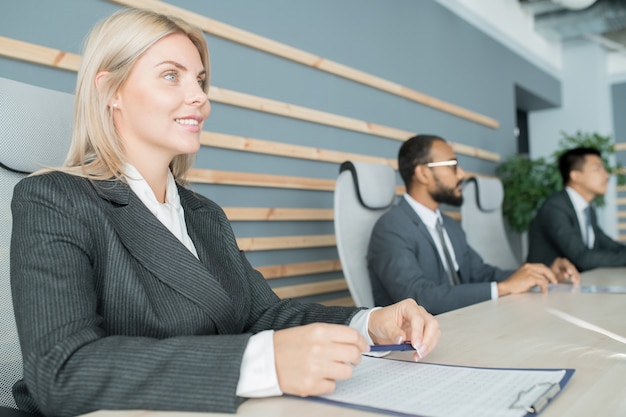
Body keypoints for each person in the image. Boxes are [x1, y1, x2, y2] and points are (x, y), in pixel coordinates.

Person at [9, 8, 440, 417]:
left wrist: (368, 323)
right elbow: (62, 370)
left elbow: (262, 316)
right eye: (171, 77)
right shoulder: (55, 199)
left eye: (199, 80)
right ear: (110, 91)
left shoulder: (203, 214)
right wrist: (257, 363)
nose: (198, 97)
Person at [367, 134, 580, 315]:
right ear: (423, 173)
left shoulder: (449, 226)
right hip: (415, 349)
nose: (461, 174)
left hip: (464, 325)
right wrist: (503, 288)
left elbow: (480, 274)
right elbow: (418, 297)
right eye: (452, 166)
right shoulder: (391, 228)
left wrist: (537, 274)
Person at [527, 146, 626, 271]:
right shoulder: (555, 207)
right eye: (597, 169)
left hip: (575, 283)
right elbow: (582, 258)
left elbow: (606, 244)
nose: (606, 175)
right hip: (545, 286)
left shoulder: (587, 209)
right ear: (576, 176)